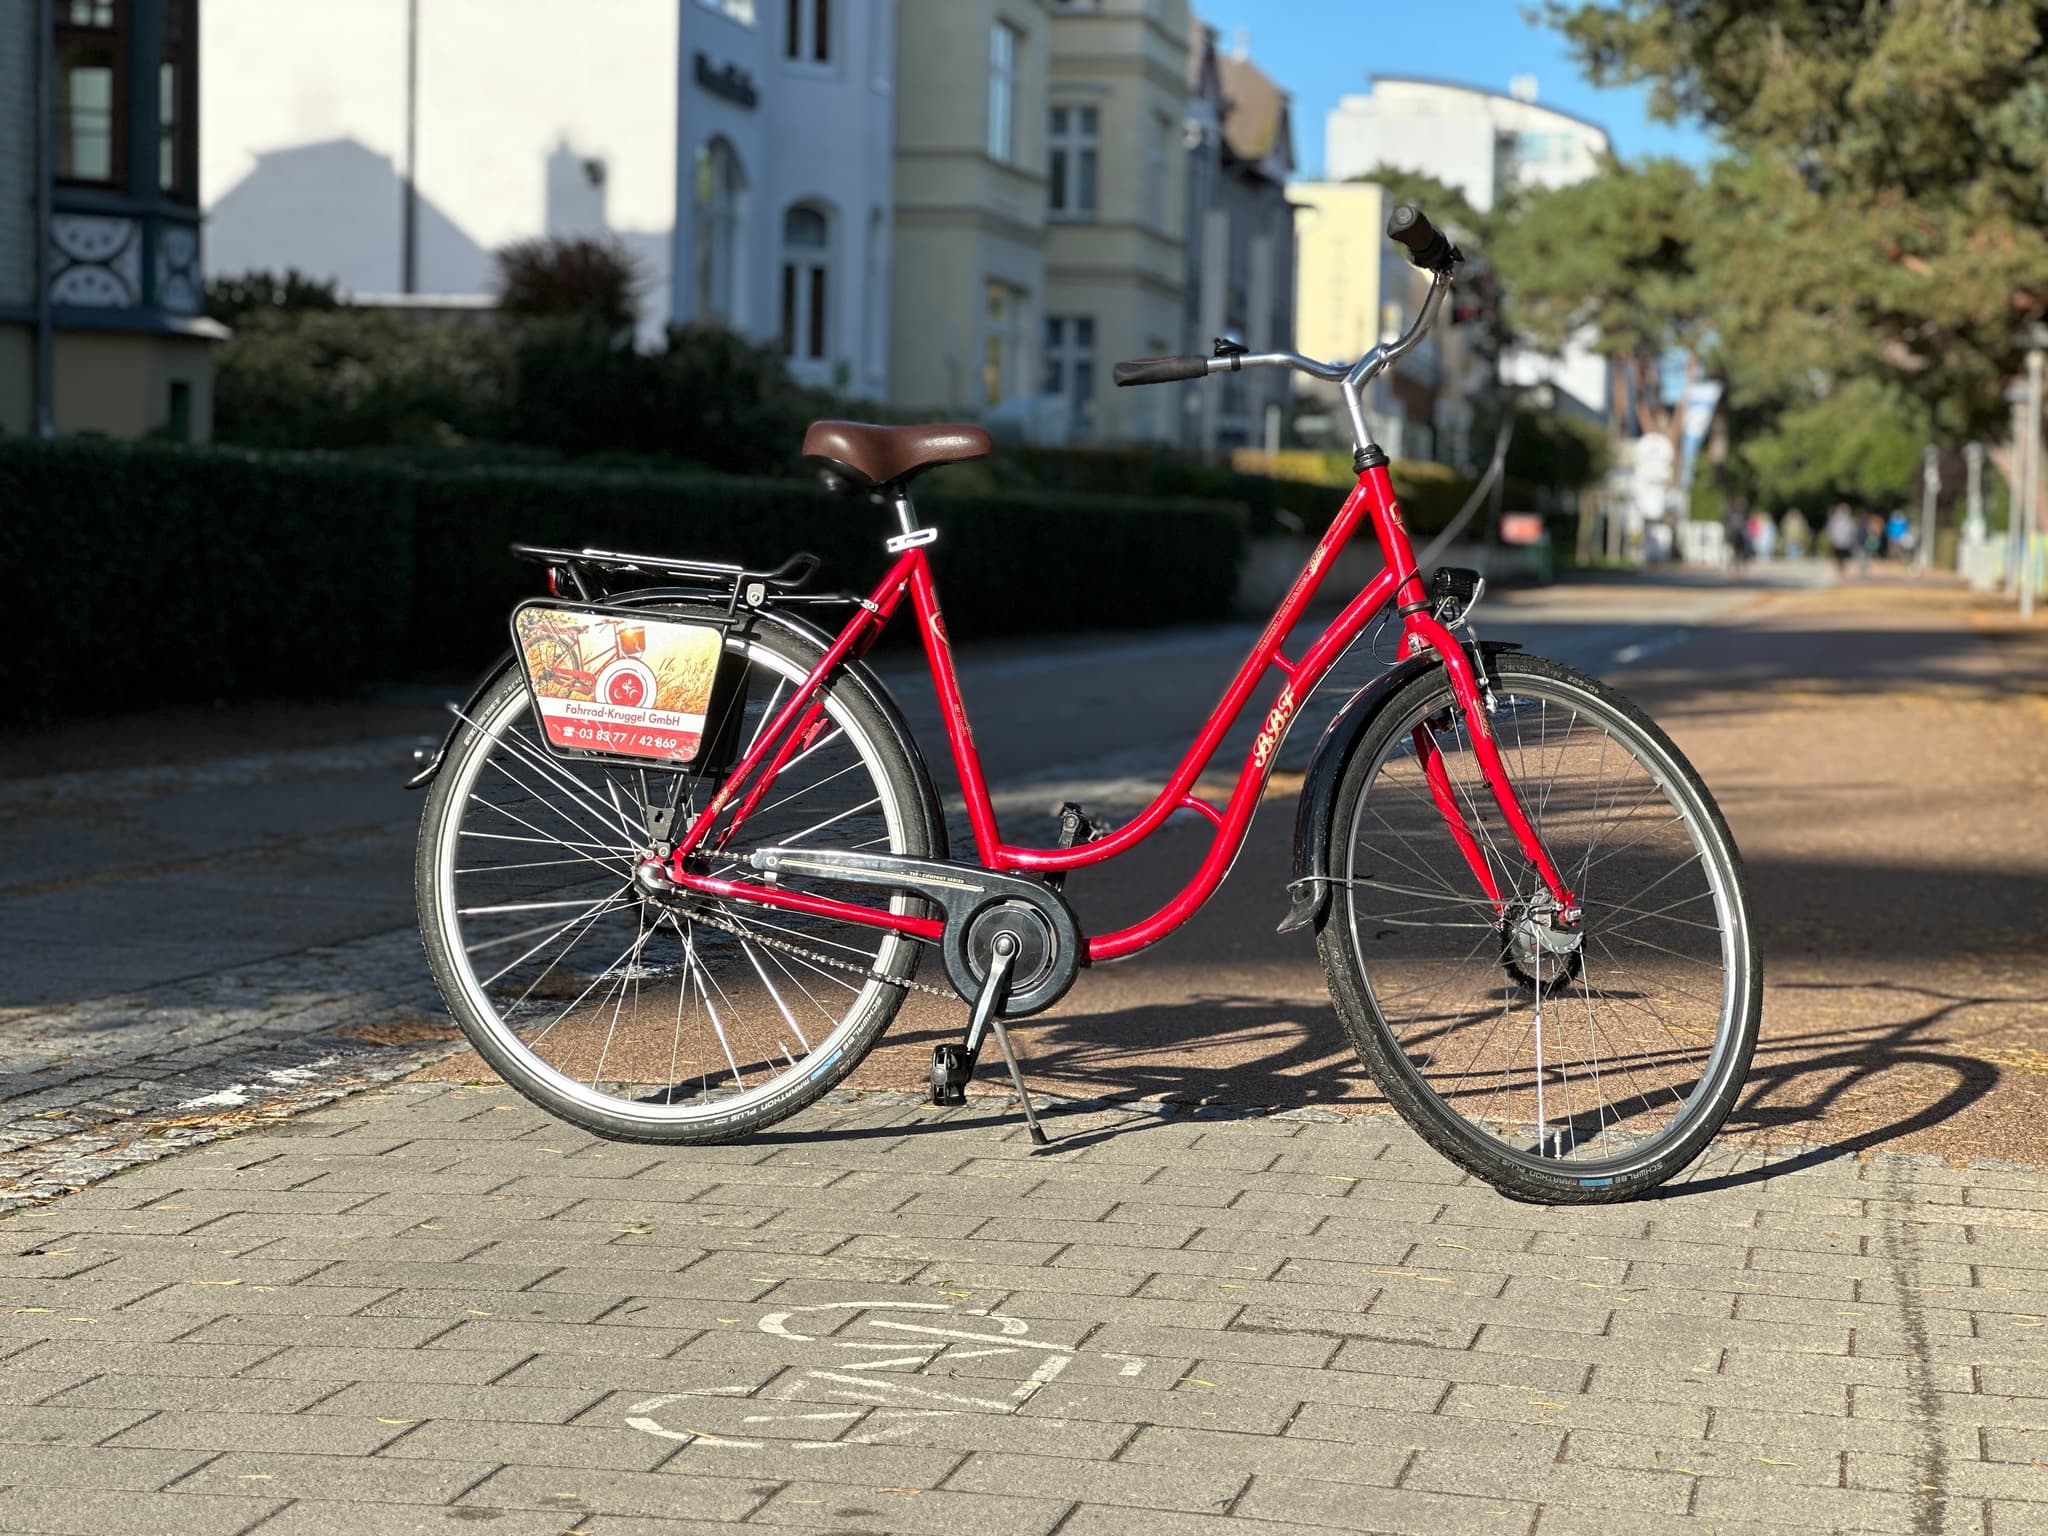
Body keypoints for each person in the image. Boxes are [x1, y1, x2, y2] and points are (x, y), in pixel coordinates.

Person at [1826, 503, 1858, 578]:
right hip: (1838, 542)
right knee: (1838, 557)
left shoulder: (1849, 520)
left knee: (1844, 557)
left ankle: (1843, 571)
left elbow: (1852, 530)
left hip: (1845, 542)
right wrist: (1832, 539)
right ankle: (1840, 571)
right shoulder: (1834, 520)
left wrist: (1851, 539)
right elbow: (1830, 530)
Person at [1722, 496, 1751, 577]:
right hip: (1734, 536)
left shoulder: (1739, 512)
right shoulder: (1737, 512)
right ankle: (1735, 570)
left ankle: (1738, 570)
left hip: (1737, 536)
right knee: (1735, 554)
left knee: (1738, 554)